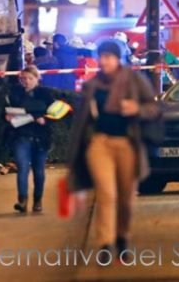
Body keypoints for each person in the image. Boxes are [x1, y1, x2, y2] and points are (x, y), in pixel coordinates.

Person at [66, 40, 161, 265]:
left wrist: (137, 109)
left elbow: (154, 107)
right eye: (102, 56)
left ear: (119, 59)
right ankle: (105, 244)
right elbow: (82, 120)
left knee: (126, 198)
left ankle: (122, 237)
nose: (105, 61)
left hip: (128, 144)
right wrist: (75, 153)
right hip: (100, 144)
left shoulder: (134, 80)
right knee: (107, 194)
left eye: (109, 56)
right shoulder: (92, 85)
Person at [5, 66, 55, 213]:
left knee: (39, 171)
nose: (26, 82)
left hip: (41, 137)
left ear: (37, 78)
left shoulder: (45, 94)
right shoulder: (15, 94)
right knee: (22, 168)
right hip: (21, 135)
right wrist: (6, 116)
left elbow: (56, 113)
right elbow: (5, 110)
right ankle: (22, 200)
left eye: (29, 78)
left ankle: (38, 200)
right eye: (23, 79)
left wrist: (45, 120)